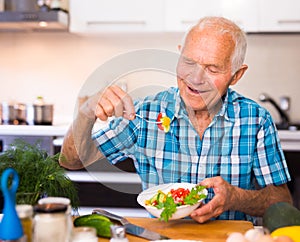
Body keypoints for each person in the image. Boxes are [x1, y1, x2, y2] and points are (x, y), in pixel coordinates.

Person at [59, 16, 292, 224]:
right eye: (189, 62)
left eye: (212, 68)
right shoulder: (145, 113)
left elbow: (283, 202)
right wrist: (85, 113)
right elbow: (72, 161)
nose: (196, 78)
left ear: (236, 75)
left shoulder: (256, 120)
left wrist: (236, 198)